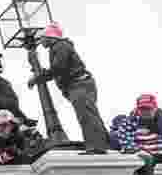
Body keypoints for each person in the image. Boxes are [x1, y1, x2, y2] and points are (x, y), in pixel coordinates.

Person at [29, 24, 107, 154]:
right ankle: (103, 144)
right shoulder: (60, 47)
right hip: (81, 84)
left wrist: (38, 78)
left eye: (42, 38)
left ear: (49, 37)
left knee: (87, 116)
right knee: (90, 114)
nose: (40, 41)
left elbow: (59, 67)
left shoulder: (60, 46)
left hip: (79, 85)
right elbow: (59, 68)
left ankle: (96, 147)